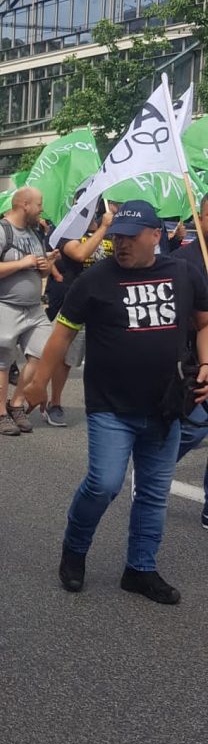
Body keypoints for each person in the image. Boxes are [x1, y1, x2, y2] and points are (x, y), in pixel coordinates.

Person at [25, 201, 208, 604]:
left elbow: (203, 322)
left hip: (165, 406)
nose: (119, 245)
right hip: (111, 406)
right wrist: (38, 382)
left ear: (156, 235)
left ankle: (140, 569)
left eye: (129, 237)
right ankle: (75, 550)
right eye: (115, 238)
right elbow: (61, 335)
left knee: (153, 493)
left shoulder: (185, 273)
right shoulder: (95, 280)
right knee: (104, 483)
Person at [0, 186, 58, 436]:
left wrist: (45, 264)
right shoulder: (0, 232)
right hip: (4, 307)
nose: (41, 208)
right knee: (2, 360)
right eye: (39, 204)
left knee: (44, 354)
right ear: (24, 204)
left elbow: (38, 268)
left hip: (33, 309)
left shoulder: (34, 232)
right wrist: (23, 263)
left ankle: (16, 404)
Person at [41, 206, 115, 427]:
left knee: (107, 358)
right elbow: (80, 253)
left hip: (107, 304)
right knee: (66, 359)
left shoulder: (110, 231)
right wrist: (103, 228)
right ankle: (55, 403)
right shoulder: (69, 233)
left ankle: (107, 403)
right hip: (78, 304)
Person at [174, 192, 208, 528]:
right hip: (197, 361)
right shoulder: (185, 262)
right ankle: (156, 464)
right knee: (193, 431)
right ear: (200, 218)